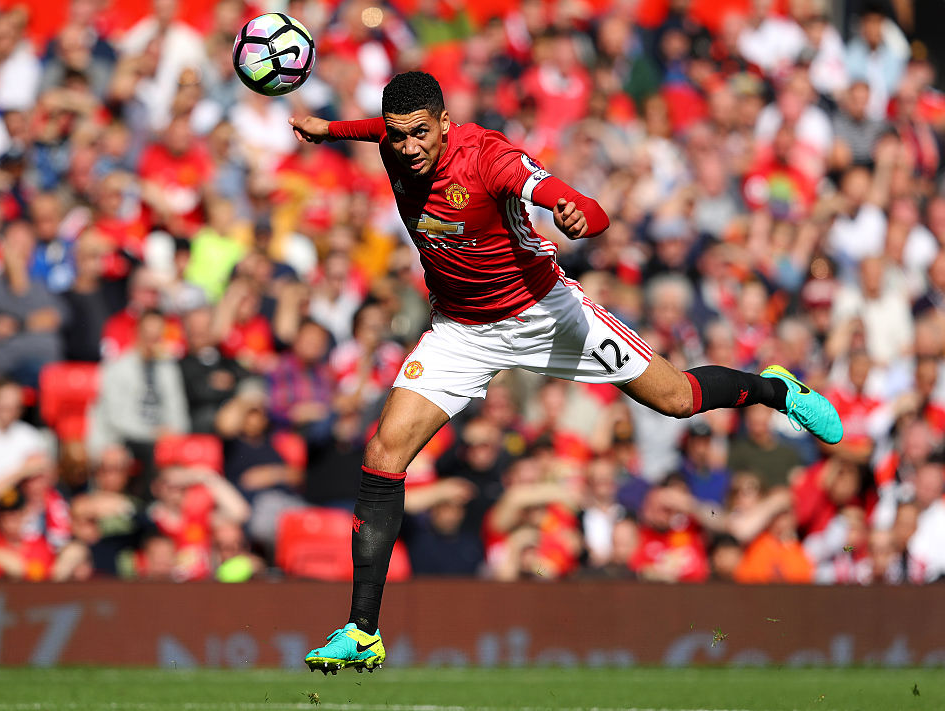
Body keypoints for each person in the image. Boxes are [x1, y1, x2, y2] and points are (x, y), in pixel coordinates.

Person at [288, 71, 843, 673]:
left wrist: (579, 216)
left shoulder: (489, 158)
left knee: (677, 399)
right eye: (397, 137)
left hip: (544, 312)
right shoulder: (395, 140)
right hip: (461, 330)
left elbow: (581, 205)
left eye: (420, 133)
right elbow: (374, 127)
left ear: (445, 124)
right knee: (383, 453)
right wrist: (327, 129)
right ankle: (362, 631)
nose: (408, 147)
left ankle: (775, 388)